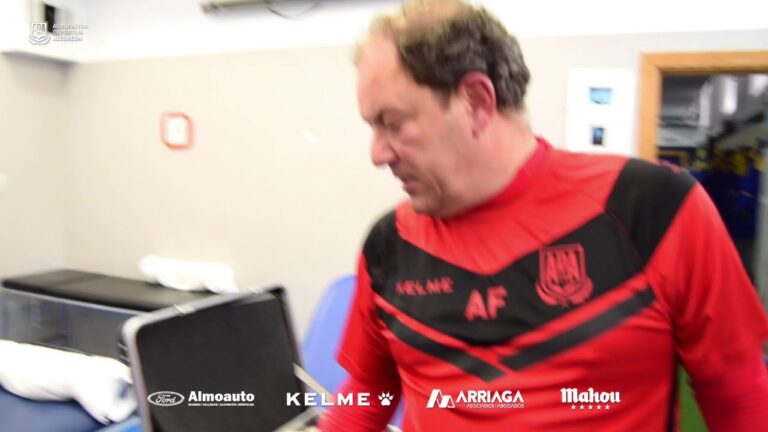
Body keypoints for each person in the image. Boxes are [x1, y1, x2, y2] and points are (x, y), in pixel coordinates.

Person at [318, 1, 768, 430]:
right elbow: (368, 392)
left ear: (476, 101)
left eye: (393, 123)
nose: (377, 153)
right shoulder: (390, 244)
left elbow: (737, 395)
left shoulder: (653, 208)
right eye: (372, 127)